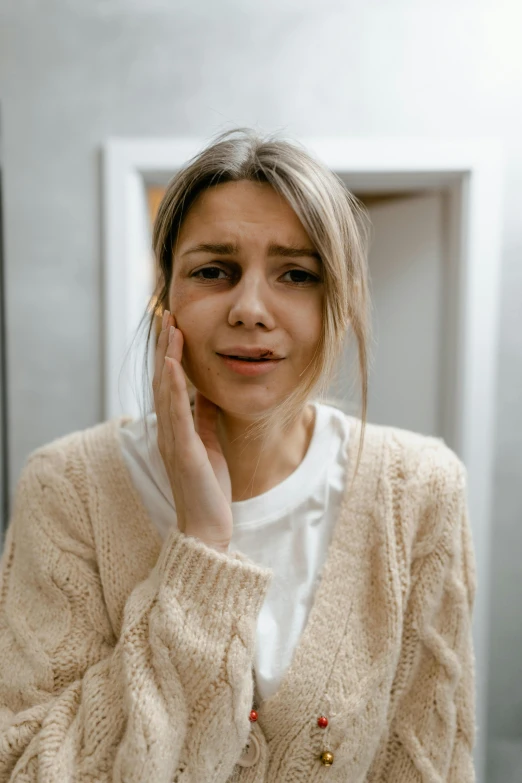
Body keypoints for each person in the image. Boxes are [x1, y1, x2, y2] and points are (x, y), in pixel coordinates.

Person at [0, 128, 477, 782]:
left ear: (337, 303)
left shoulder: (419, 490)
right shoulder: (69, 487)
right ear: (167, 295)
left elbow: (434, 764)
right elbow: (30, 769)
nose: (251, 308)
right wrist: (201, 547)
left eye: (297, 274)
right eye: (214, 270)